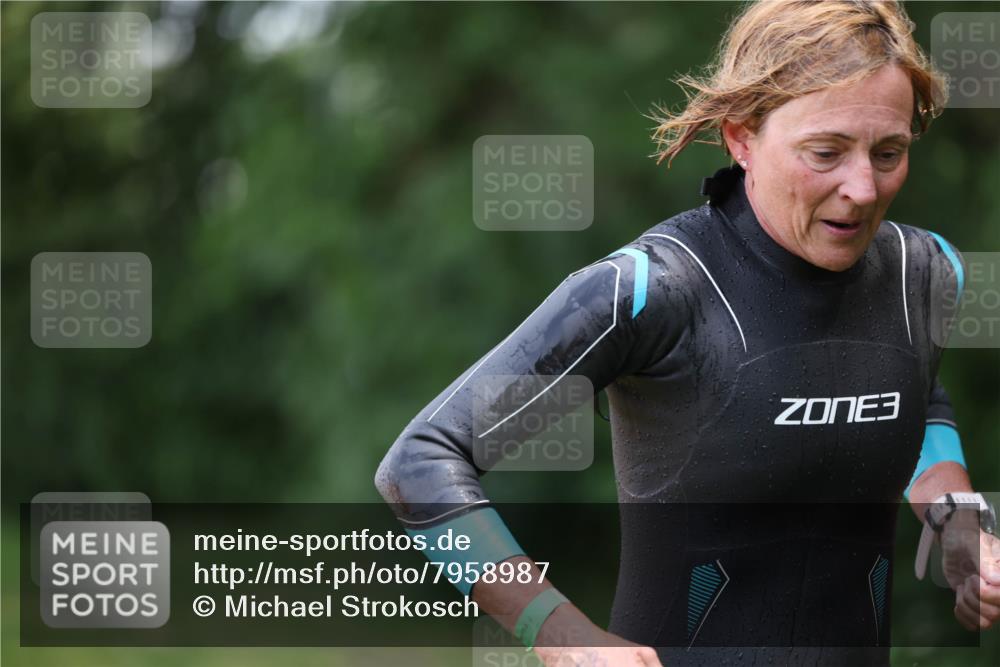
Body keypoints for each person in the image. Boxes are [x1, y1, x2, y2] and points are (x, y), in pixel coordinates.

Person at [375, 1, 1000, 665]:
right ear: (741, 137)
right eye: (825, 152)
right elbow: (420, 464)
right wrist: (564, 639)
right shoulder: (652, 291)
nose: (862, 187)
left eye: (889, 152)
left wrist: (962, 526)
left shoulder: (924, 273)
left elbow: (914, 392)